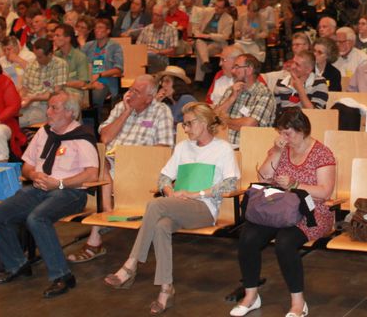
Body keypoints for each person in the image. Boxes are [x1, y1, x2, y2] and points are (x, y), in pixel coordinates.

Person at [103, 102, 240, 314]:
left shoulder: (222, 148)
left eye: (188, 124)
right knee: (160, 226)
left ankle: (131, 264)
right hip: (177, 204)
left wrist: (195, 194)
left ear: (203, 123)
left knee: (155, 205)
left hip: (204, 209)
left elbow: (231, 183)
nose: (185, 129)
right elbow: (164, 177)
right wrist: (169, 192)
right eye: (183, 125)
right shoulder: (183, 147)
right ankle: (166, 290)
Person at [0, 91, 99, 298]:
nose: (48, 112)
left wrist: (59, 183)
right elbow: (26, 167)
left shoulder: (82, 136)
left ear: (70, 112)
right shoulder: (44, 132)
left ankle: (62, 275)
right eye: (48, 107)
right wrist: (35, 174)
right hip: (39, 188)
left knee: (37, 218)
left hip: (70, 192)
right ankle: (17, 264)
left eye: (54, 108)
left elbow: (92, 174)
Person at [231, 109, 336, 317]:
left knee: (285, 242)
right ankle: (251, 296)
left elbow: (325, 192)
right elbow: (263, 176)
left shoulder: (322, 153)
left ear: (302, 130)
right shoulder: (282, 148)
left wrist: (296, 183)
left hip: (311, 212)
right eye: (281, 133)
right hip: (279, 209)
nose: (283, 138)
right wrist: (277, 152)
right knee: (248, 237)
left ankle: (298, 303)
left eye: (288, 133)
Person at [68, 74, 174, 262]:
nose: (130, 94)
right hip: (111, 164)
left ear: (149, 97)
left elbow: (164, 149)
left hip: (140, 167)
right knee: (100, 163)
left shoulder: (161, 111)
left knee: (102, 168)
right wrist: (126, 112)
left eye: (136, 92)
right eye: (130, 89)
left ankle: (96, 238)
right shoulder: (121, 107)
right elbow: (106, 138)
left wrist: (131, 157)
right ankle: (108, 211)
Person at [212, 53, 276, 146]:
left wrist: (224, 120)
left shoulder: (264, 94)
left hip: (248, 149)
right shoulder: (231, 90)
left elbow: (249, 125)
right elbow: (212, 118)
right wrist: (231, 98)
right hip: (222, 146)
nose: (233, 71)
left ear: (249, 69)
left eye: (237, 67)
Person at [19, 38, 69, 127]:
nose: (37, 59)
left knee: (20, 122)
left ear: (50, 55)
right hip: (26, 103)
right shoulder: (31, 64)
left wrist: (32, 98)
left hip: (45, 105)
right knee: (9, 119)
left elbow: (55, 92)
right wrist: (19, 99)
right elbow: (24, 88)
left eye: (40, 57)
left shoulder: (60, 64)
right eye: (36, 56)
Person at [81, 17, 124, 109]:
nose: (97, 30)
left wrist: (99, 75)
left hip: (105, 81)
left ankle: (96, 118)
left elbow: (118, 69)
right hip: (89, 79)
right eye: (96, 28)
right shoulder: (88, 46)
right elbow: (80, 62)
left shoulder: (115, 46)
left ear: (108, 30)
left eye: (100, 27)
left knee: (95, 94)